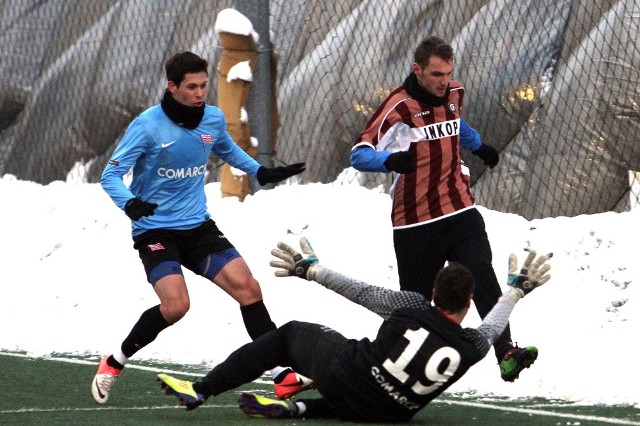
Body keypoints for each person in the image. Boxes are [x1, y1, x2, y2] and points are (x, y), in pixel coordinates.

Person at [93, 51, 308, 405]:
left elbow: (226, 149)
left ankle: (282, 377)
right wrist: (130, 203)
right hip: (154, 230)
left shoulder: (212, 119)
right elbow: (111, 174)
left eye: (204, 85)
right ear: (172, 87)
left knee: (249, 289)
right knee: (176, 306)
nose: (199, 93)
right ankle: (115, 360)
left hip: (197, 226)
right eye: (191, 87)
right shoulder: (147, 126)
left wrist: (260, 171)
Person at [156, 237, 551, 422]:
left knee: (290, 335)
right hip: (393, 413)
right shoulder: (473, 346)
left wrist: (312, 270)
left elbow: (360, 292)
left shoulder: (412, 306)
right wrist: (514, 292)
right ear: (468, 303)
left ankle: (201, 390)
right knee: (372, 400)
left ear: (433, 293)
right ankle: (296, 407)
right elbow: (492, 326)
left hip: (348, 378)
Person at [349, 35, 530, 381]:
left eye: (448, 73)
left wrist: (479, 146)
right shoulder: (397, 107)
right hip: (415, 223)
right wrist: (391, 161)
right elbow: (358, 154)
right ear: (417, 70)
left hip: (459, 209)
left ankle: (506, 351)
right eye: (436, 74)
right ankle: (384, 372)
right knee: (414, 310)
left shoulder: (454, 93)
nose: (444, 81)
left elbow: (454, 123)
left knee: (482, 274)